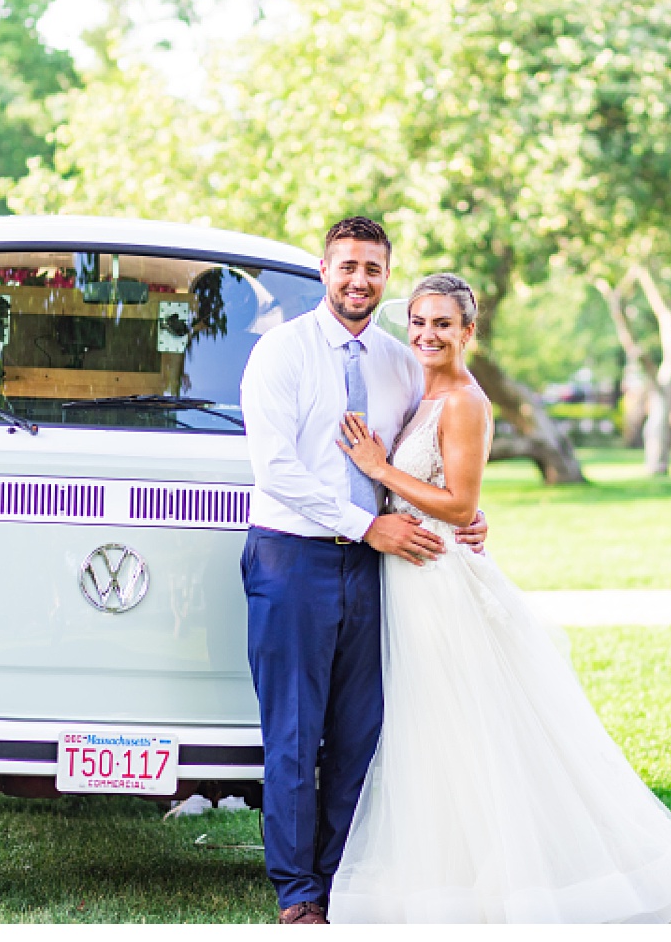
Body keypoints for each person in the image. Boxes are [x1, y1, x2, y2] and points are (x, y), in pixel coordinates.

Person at [328, 273, 671, 924]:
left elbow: (460, 503)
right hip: (412, 578)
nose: (427, 335)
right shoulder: (419, 390)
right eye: (417, 322)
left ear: (470, 331)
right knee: (434, 740)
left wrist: (379, 469)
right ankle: (453, 884)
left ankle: (524, 885)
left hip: (440, 583)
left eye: (443, 324)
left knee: (470, 736)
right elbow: (449, 489)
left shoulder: (465, 400)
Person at [238, 217, 488, 925]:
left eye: (373, 269)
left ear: (386, 275)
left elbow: (419, 456)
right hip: (293, 559)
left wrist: (459, 515)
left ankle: (342, 879)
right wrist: (365, 524)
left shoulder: (399, 361)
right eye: (347, 266)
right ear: (323, 271)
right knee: (293, 733)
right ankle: (298, 894)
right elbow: (276, 470)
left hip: (379, 569)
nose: (359, 280)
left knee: (360, 733)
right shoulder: (280, 353)